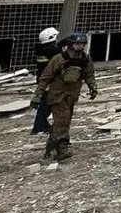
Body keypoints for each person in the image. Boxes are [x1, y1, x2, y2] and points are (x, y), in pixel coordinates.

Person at [31, 33, 97, 161]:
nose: (80, 46)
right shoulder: (58, 59)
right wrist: (37, 95)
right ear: (70, 44)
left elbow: (89, 74)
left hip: (72, 95)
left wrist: (92, 87)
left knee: (62, 122)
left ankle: (51, 146)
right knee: (63, 121)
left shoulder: (85, 59)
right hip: (57, 95)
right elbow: (45, 78)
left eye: (82, 44)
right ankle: (62, 148)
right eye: (77, 44)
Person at [30, 27, 60, 135]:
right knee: (47, 104)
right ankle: (39, 127)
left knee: (46, 103)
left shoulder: (41, 50)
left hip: (43, 79)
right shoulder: (52, 50)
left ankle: (42, 124)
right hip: (49, 80)